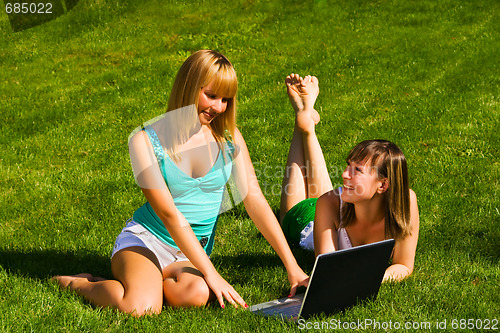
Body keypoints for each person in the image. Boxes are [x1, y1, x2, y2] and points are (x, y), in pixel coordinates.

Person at [53, 50, 308, 316]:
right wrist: (212, 274)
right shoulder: (144, 141)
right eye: (211, 95)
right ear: (188, 87)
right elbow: (169, 214)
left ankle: (154, 281)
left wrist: (293, 268)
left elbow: (254, 199)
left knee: (196, 294)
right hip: (147, 241)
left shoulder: (228, 137)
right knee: (141, 308)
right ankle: (78, 283)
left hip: (189, 252)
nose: (218, 107)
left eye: (225, 99)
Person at [279, 73, 419, 282]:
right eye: (349, 166)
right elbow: (328, 267)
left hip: (334, 208)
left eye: (358, 170)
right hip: (304, 221)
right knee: (314, 188)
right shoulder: (330, 201)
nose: (344, 174)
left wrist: (372, 278)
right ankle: (303, 119)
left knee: (328, 193)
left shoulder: (405, 202)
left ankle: (304, 117)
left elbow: (404, 265)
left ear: (384, 184)